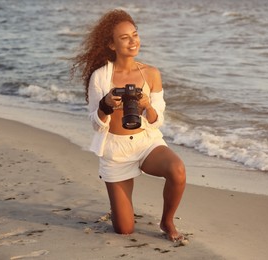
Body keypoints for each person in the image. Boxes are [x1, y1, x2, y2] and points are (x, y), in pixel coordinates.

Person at [71, 9, 186, 242]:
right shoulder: (100, 77)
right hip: (115, 151)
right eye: (125, 38)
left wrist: (146, 106)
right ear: (112, 45)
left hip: (146, 143)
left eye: (135, 34)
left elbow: (158, 120)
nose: (133, 41)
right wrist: (105, 105)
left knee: (178, 170)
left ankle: (167, 221)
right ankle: (118, 206)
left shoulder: (150, 74)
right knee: (124, 229)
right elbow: (95, 123)